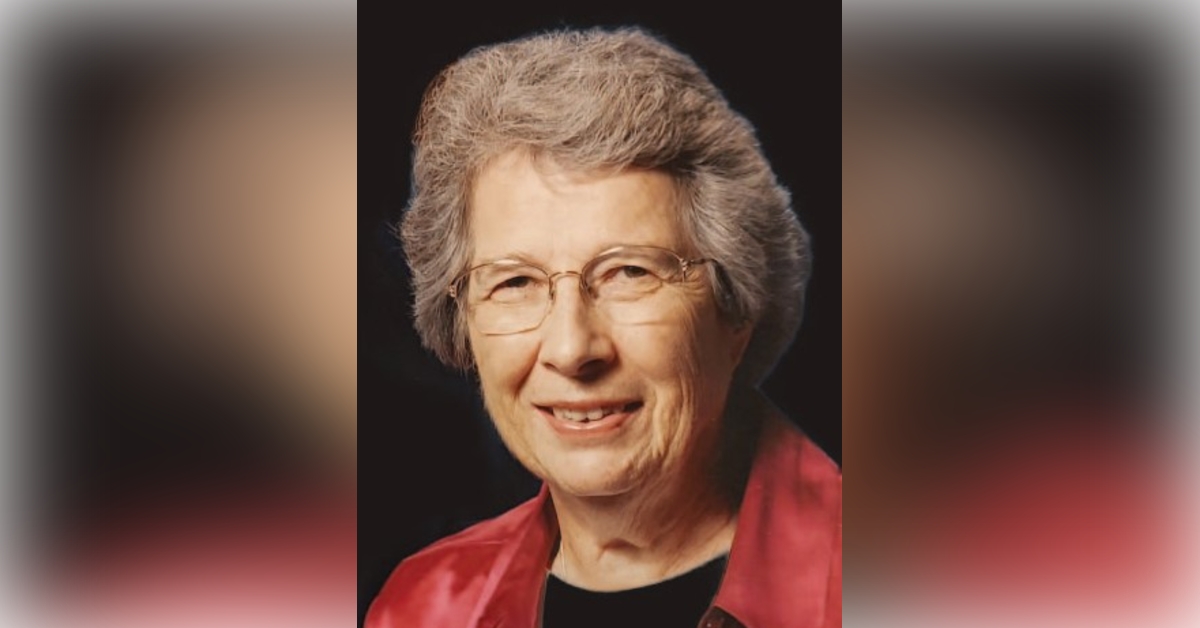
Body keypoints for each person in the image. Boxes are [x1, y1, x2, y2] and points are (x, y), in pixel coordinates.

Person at [366, 27, 840, 628]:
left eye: (629, 272)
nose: (572, 349)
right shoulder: (424, 606)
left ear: (735, 310)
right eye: (514, 282)